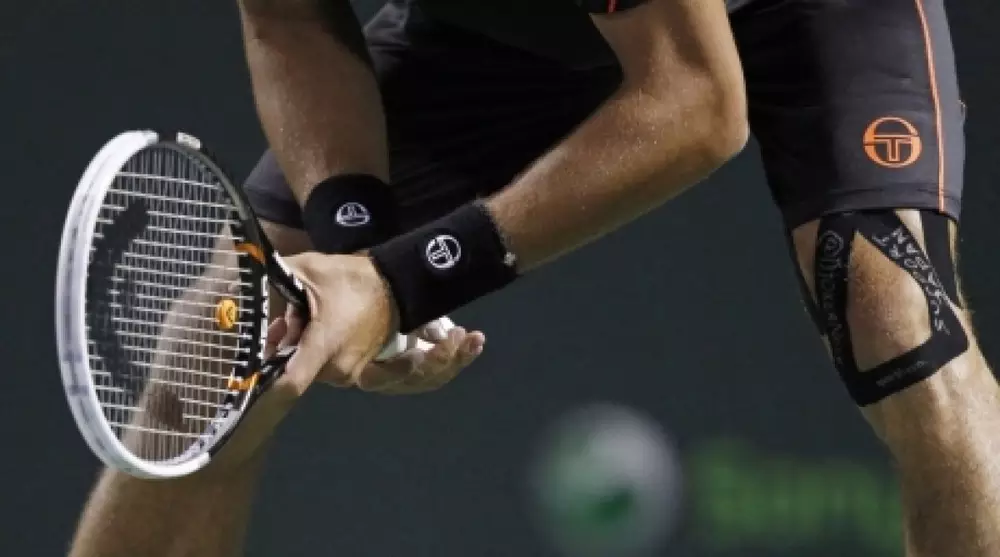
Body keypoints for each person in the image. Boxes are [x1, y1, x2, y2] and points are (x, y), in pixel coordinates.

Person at [69, 0, 1000, 556]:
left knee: (899, 321)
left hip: (789, 17)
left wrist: (397, 286)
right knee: (218, 345)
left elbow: (696, 102)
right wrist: (358, 242)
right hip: (496, 29)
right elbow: (290, 22)